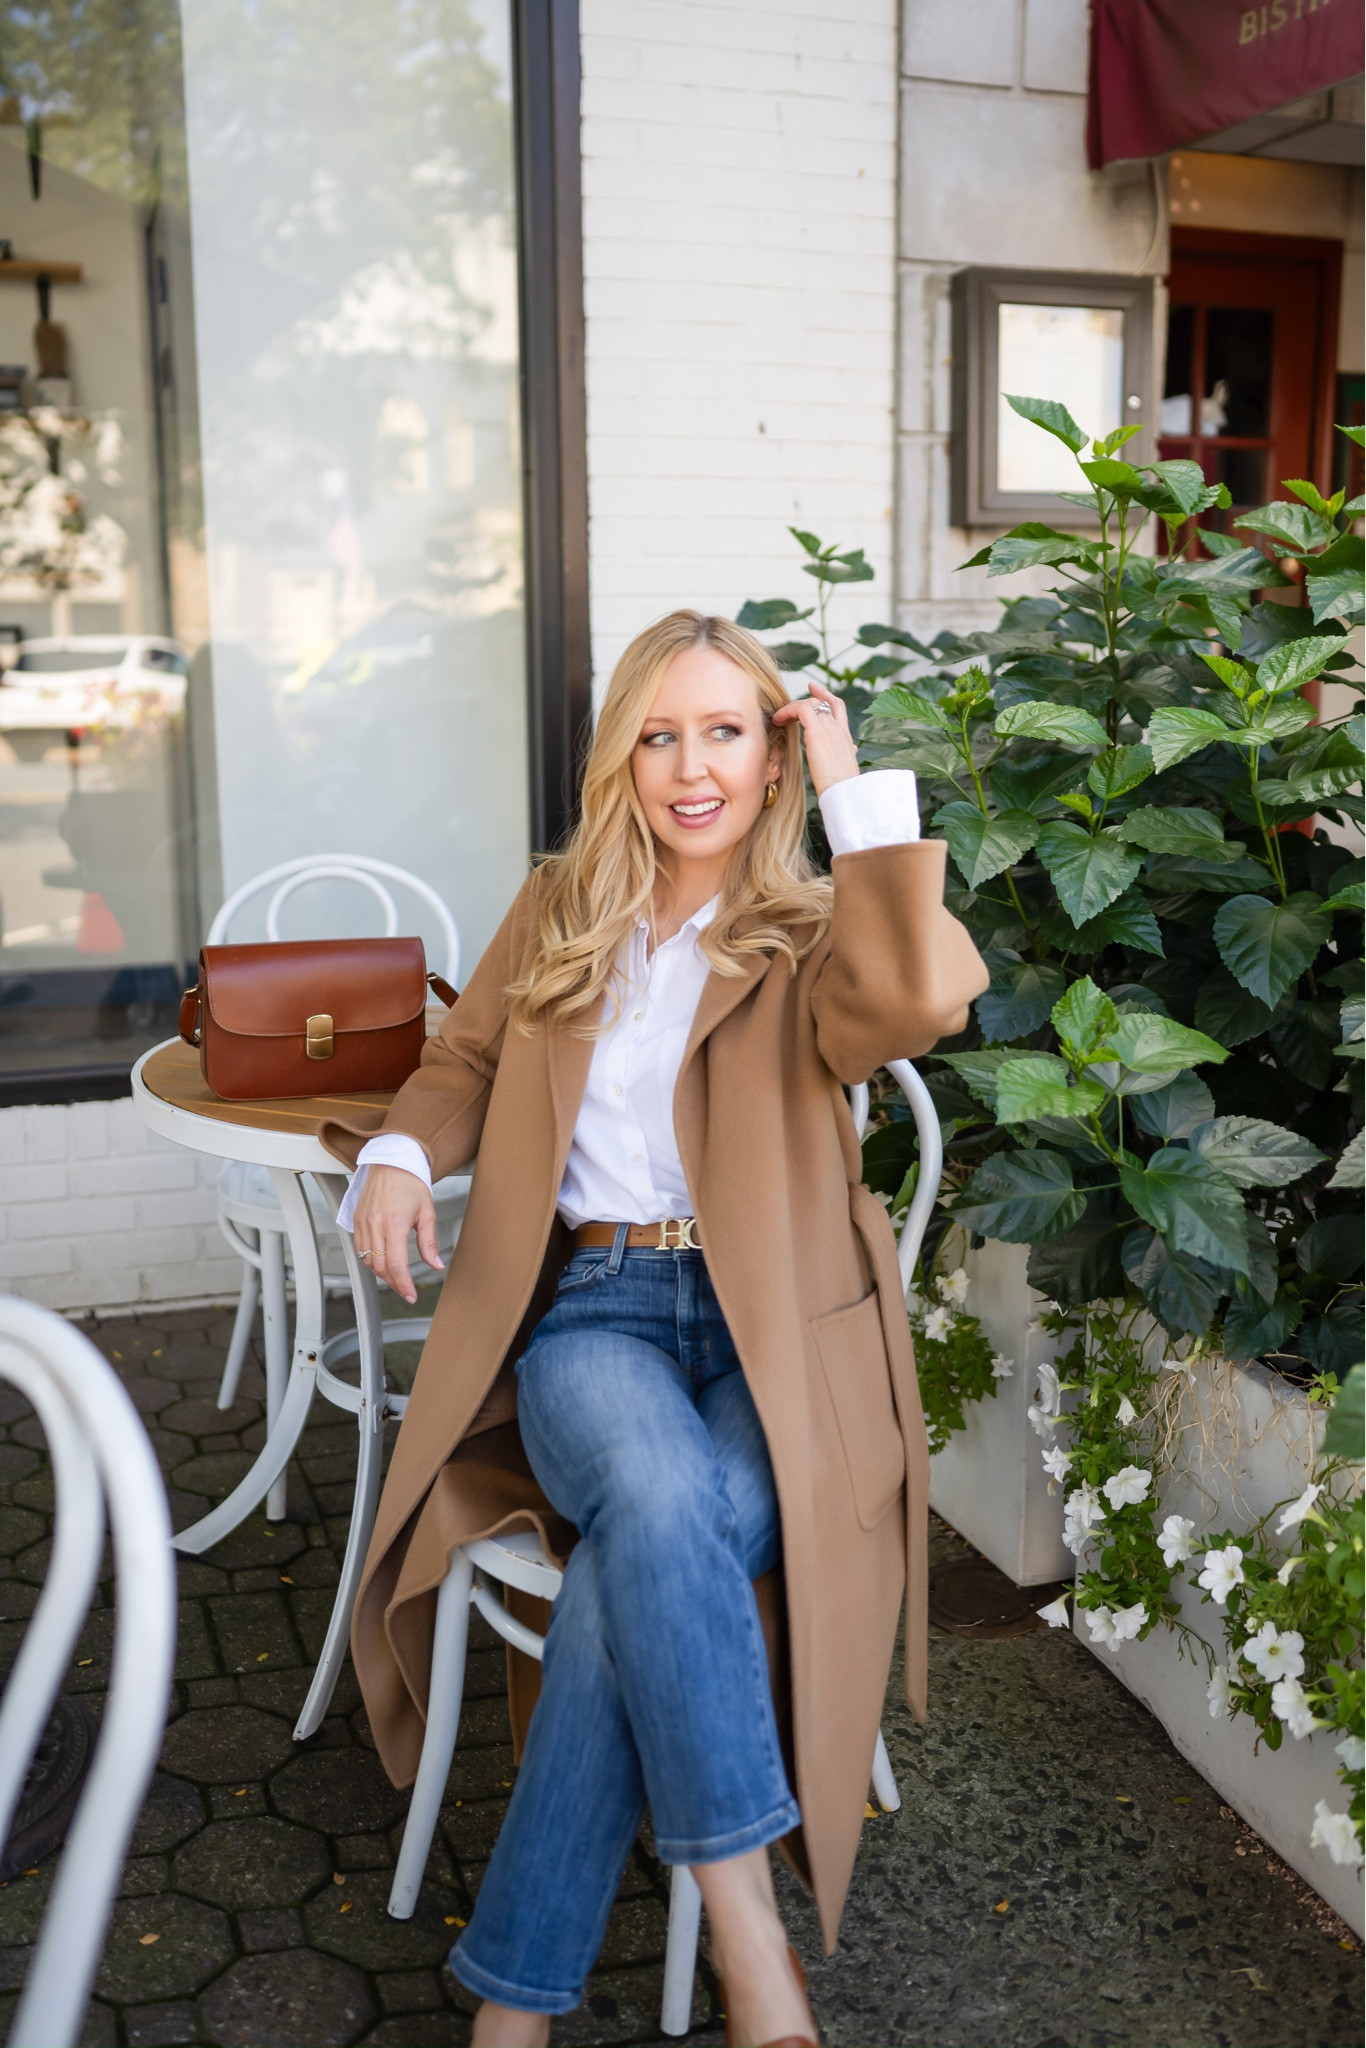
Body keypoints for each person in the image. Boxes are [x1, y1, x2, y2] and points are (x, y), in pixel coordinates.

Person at [324, 611, 987, 2048]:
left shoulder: (817, 930)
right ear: (623, 751)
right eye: (659, 732)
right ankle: (750, 1932)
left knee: (641, 1560)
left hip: (778, 1339)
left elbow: (921, 998)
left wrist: (859, 784)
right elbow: (467, 1055)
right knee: (668, 1496)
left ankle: (513, 2005)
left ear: (771, 758)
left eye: (726, 732)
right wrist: (391, 1152)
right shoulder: (563, 901)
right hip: (599, 1312)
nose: (690, 767)